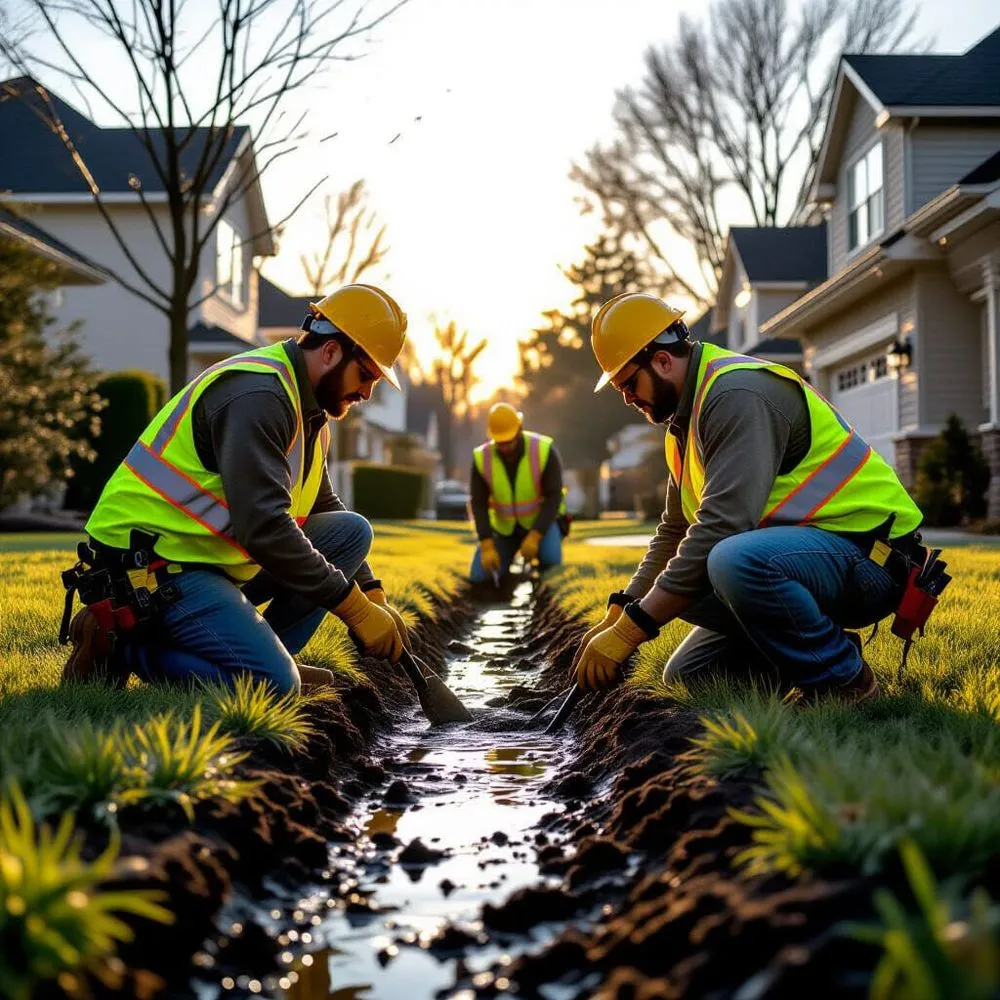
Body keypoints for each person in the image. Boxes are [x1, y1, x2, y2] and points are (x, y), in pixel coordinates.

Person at [572, 292, 927, 703]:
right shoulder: (685, 425)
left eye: (628, 383)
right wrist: (623, 610)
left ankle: (845, 682)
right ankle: (823, 648)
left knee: (728, 559)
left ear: (663, 361)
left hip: (873, 557)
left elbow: (722, 527)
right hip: (811, 560)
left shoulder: (736, 394)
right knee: (692, 673)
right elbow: (674, 532)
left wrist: (633, 631)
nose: (627, 398)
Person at [62, 284, 413, 695]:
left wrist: (372, 594)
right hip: (151, 567)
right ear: (331, 352)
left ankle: (271, 657)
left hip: (203, 559)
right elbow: (264, 529)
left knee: (351, 532)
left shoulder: (308, 411)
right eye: (366, 375)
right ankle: (123, 647)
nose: (367, 393)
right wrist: (354, 609)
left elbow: (323, 506)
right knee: (274, 686)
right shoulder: (259, 396)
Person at [469, 402, 567, 583]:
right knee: (479, 575)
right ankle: (507, 578)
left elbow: (554, 497)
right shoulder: (482, 458)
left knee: (551, 561)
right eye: (500, 443)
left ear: (519, 430)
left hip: (541, 525)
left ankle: (539, 575)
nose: (504, 447)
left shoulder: (543, 450)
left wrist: (535, 536)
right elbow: (478, 503)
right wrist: (486, 543)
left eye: (509, 442)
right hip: (504, 531)